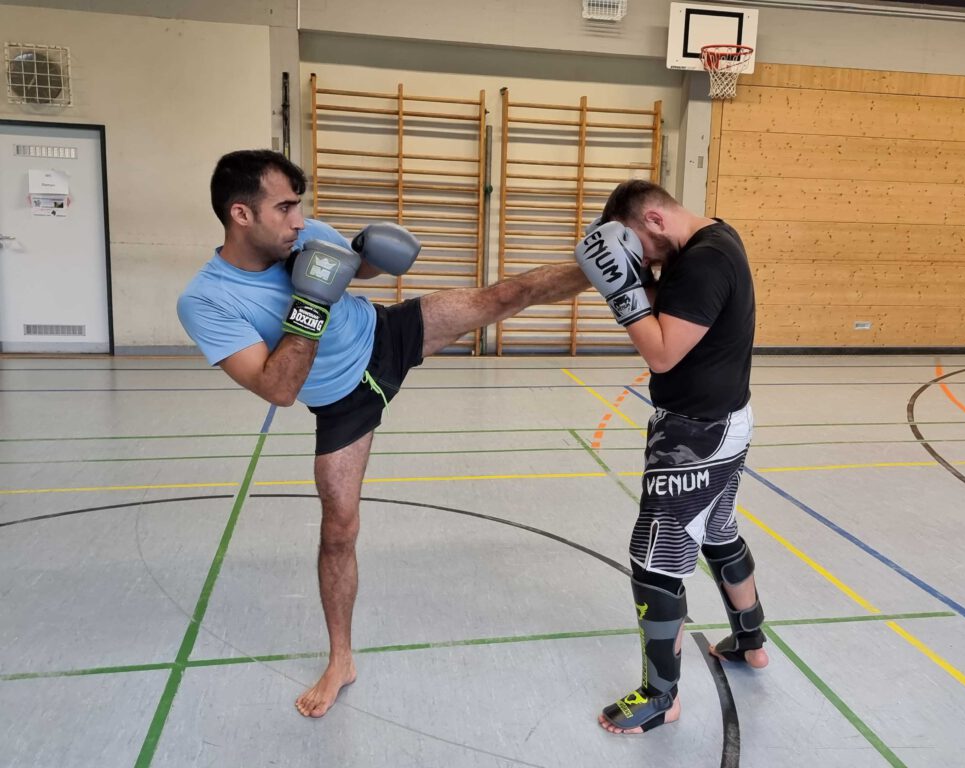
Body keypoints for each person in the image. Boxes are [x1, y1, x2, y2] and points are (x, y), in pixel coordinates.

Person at [177, 149, 591, 718]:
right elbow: (278, 388)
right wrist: (309, 305)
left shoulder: (304, 234)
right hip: (340, 404)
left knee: (502, 296)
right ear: (241, 214)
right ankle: (340, 659)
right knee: (338, 532)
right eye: (285, 208)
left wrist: (367, 259)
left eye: (300, 207)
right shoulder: (206, 300)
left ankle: (612, 268)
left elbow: (350, 271)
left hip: (386, 334)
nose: (300, 221)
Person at [574, 180, 768, 735]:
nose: (640, 260)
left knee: (654, 560)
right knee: (719, 531)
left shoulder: (705, 263)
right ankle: (751, 641)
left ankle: (662, 696)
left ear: (655, 219)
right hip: (724, 421)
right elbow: (678, 311)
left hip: (696, 436)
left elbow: (660, 353)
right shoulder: (712, 240)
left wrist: (622, 288)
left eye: (638, 245)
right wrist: (633, 274)